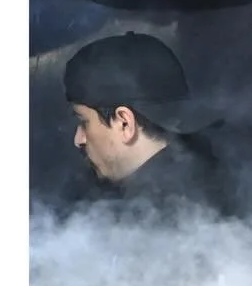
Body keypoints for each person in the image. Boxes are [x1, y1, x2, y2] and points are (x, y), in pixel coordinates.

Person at [62, 31, 227, 215]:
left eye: (84, 121)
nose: (79, 139)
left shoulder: (146, 219)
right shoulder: (216, 175)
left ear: (124, 123)